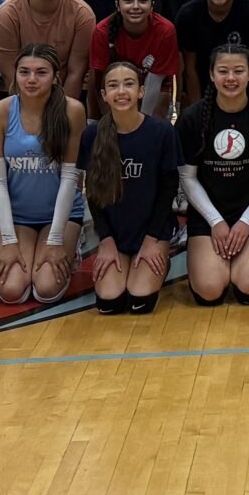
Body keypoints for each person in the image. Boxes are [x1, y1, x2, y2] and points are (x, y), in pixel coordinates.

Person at [178, 44, 249, 305]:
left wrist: (246, 221)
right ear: (211, 74)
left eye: (238, 71)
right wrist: (215, 221)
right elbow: (187, 177)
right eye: (223, 71)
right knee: (209, 290)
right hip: (208, 213)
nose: (231, 78)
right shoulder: (192, 118)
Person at [0, 44, 86, 306]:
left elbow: (70, 180)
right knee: (12, 290)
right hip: (18, 216)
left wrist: (56, 240)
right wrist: (8, 241)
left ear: (55, 77)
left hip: (61, 216)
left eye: (41, 72)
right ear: (15, 74)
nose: (31, 79)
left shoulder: (72, 111)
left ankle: (74, 242)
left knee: (46, 288)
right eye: (24, 72)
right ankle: (20, 242)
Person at [80, 59, 181, 315]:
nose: (121, 91)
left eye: (128, 84)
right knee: (109, 303)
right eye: (113, 86)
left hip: (152, 231)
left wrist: (152, 241)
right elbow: (93, 194)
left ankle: (161, 259)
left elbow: (168, 190)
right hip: (115, 233)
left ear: (141, 91)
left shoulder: (162, 132)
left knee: (140, 301)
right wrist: (105, 240)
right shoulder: (92, 135)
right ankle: (124, 258)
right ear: (104, 95)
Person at [0, 0, 95, 99]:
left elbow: (76, 72)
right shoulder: (7, 13)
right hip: (17, 92)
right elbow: (9, 72)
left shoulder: (82, 14)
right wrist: (29, 107)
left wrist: (61, 108)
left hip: (63, 92)